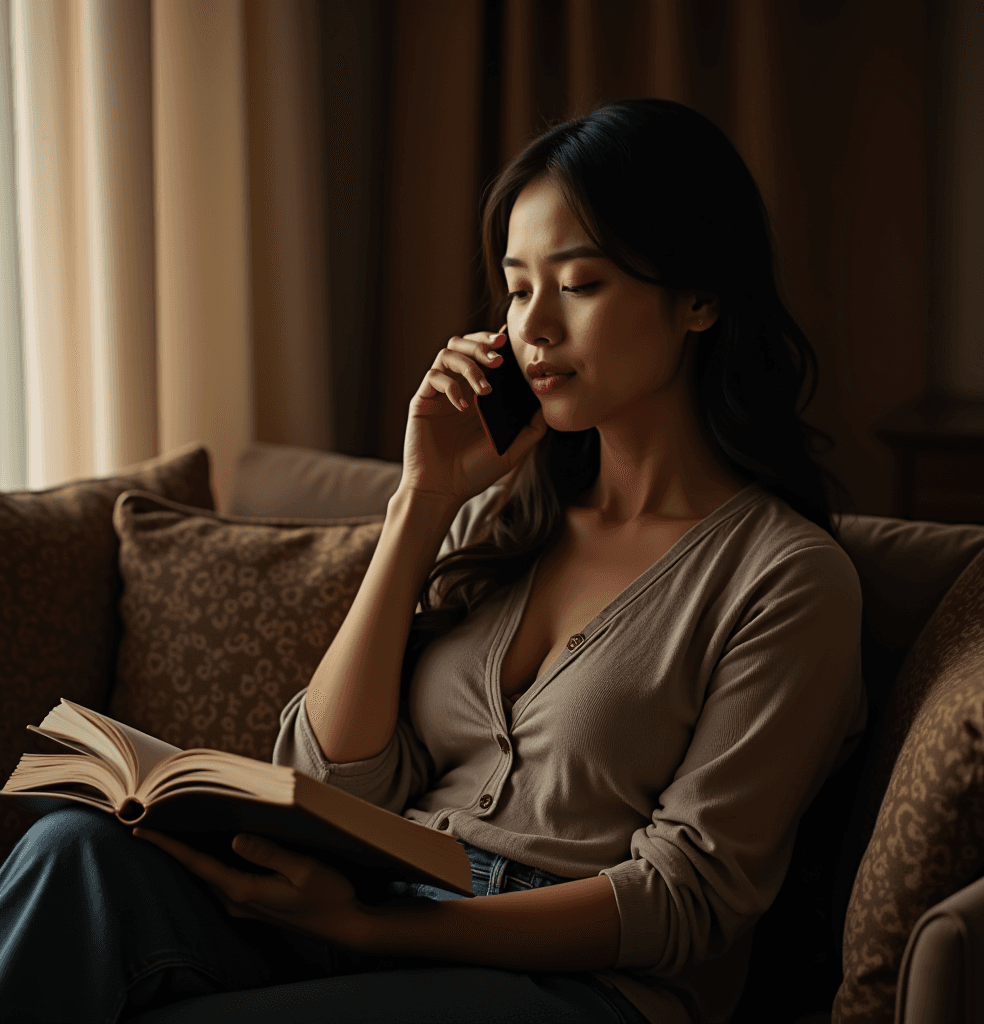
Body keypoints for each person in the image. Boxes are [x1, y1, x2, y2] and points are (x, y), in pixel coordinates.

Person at [0, 98, 867, 1024]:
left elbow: (683, 898)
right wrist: (420, 504)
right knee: (69, 851)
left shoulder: (786, 579)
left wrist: (377, 933)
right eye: (517, 286)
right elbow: (328, 782)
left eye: (577, 285)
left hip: (574, 988)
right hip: (360, 916)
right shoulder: (498, 520)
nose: (534, 329)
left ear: (699, 298)